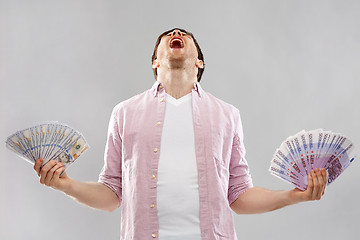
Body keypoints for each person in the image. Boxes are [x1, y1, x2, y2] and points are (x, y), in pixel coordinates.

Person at [34, 28, 327, 240]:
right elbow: (111, 195)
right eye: (168, 35)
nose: (177, 32)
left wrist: (295, 196)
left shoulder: (228, 115)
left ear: (199, 63)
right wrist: (65, 185)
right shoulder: (124, 113)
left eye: (186, 34)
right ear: (155, 63)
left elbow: (239, 196)